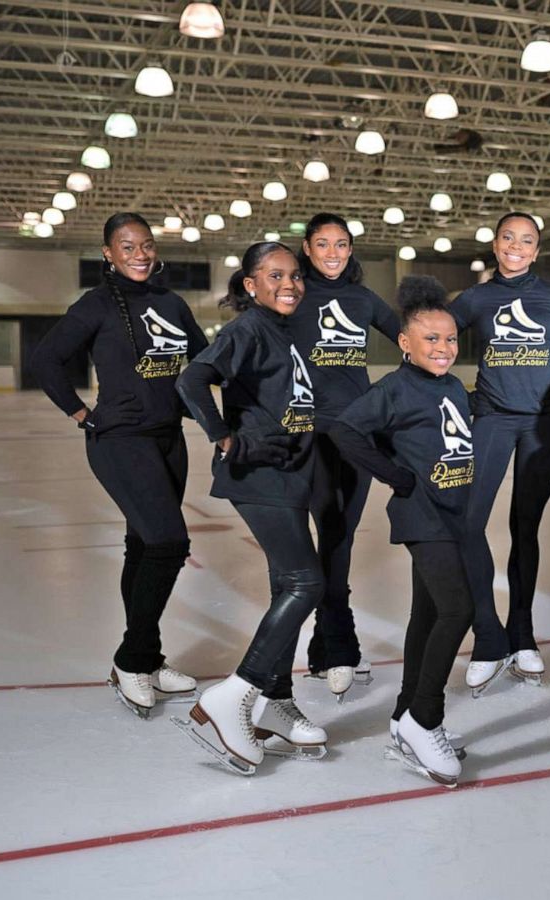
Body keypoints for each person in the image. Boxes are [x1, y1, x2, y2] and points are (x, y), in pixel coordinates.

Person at [27, 211, 207, 720]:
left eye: (146, 245)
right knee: (170, 544)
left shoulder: (171, 303)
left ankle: (148, 658)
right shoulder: (97, 305)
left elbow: (205, 358)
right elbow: (46, 359)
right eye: (127, 247)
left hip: (168, 437)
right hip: (119, 439)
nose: (140, 254)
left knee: (144, 545)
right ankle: (130, 660)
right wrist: (80, 412)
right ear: (108, 253)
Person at [172, 241, 329, 775]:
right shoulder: (248, 329)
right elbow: (192, 379)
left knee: (288, 585)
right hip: (259, 475)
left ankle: (276, 704)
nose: (290, 284)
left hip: (291, 473)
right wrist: (224, 437)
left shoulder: (286, 331)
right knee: (307, 584)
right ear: (251, 285)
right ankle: (235, 694)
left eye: (296, 276)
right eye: (276, 276)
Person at [327, 275, 478, 787]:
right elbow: (345, 430)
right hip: (423, 516)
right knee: (460, 609)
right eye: (431, 339)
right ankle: (424, 718)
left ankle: (401, 719)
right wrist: (394, 475)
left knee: (429, 613)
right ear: (406, 343)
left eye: (451, 338)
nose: (444, 347)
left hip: (453, 514)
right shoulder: (394, 387)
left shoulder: (453, 385)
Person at [447, 211, 550, 693]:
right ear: (495, 245)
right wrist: (460, 397)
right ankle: (488, 637)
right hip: (491, 421)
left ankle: (523, 635)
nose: (516, 246)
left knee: (524, 528)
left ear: (537, 250)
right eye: (508, 238)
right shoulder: (476, 298)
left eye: (527, 240)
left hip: (543, 424)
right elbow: (430, 339)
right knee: (469, 524)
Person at [290, 211, 401, 701]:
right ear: (307, 249)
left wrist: (392, 399)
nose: (332, 253)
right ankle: (340, 645)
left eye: (341, 244)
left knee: (340, 537)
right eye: (322, 244)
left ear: (350, 250)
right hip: (307, 433)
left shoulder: (361, 298)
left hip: (357, 433)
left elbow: (410, 337)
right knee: (328, 534)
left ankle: (325, 647)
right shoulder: (292, 296)